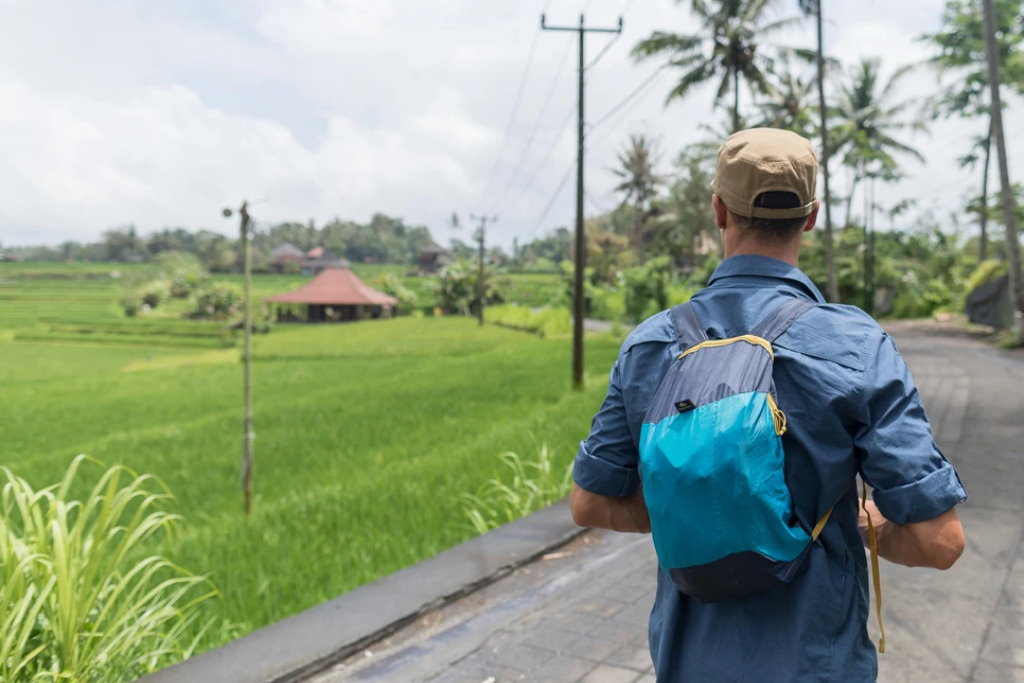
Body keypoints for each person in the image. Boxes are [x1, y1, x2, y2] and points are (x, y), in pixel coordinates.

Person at [569, 127, 967, 682]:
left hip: (687, 662)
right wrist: (864, 525)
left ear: (718, 210)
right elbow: (939, 541)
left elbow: (590, 505)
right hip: (815, 665)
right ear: (810, 217)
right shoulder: (856, 344)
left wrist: (700, 508)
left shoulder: (652, 343)